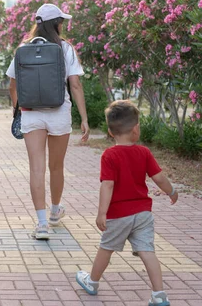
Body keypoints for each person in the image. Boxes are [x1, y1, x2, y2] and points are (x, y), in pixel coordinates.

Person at [76, 100, 178, 306]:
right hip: (142, 214)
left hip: (118, 215)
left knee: (106, 248)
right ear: (136, 129)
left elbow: (108, 185)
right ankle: (159, 294)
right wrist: (172, 191)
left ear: (111, 132)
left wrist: (101, 213)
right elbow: (158, 178)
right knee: (147, 251)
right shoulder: (144, 152)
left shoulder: (109, 155)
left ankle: (93, 282)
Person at [6, 3, 90, 240]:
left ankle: (41, 224)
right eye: (61, 21)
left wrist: (18, 109)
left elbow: (13, 83)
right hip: (59, 111)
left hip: (31, 112)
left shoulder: (23, 49)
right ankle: (55, 211)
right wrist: (84, 118)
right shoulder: (65, 49)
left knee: (36, 168)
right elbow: (75, 84)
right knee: (56, 166)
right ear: (57, 24)